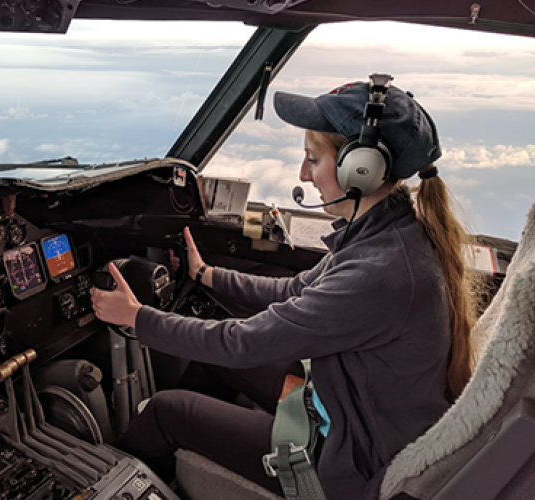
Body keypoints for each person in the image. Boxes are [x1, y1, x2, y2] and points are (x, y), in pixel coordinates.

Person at [90, 75, 479, 499]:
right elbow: (295, 291)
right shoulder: (384, 233)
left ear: (360, 169)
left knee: (167, 412)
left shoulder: (381, 272)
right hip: (341, 408)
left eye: (312, 159)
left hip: (349, 460)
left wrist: (137, 319)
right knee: (216, 362)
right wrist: (207, 275)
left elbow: (242, 343)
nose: (303, 174)